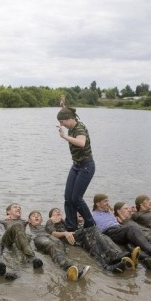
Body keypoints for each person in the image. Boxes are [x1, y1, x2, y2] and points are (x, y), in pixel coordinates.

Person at [92, 194, 151, 268]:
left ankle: (147, 259)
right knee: (131, 229)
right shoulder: (92, 215)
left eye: (108, 201)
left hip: (119, 230)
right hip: (109, 232)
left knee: (131, 245)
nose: (108, 203)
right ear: (98, 203)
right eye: (105, 201)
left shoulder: (109, 212)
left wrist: (111, 209)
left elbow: (120, 213)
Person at [45, 207, 133, 273]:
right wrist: (65, 233)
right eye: (55, 212)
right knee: (93, 229)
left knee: (94, 247)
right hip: (68, 238)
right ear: (51, 215)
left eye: (59, 212)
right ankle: (111, 255)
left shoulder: (63, 221)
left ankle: (107, 266)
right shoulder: (50, 221)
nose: (58, 212)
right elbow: (52, 233)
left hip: (75, 237)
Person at [55, 96, 95, 232]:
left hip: (86, 166)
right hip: (76, 165)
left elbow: (81, 142)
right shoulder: (71, 120)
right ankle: (71, 226)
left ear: (69, 119)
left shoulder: (79, 129)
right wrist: (63, 105)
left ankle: (90, 224)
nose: (62, 125)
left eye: (62, 122)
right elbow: (66, 112)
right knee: (68, 197)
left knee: (76, 198)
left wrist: (64, 137)